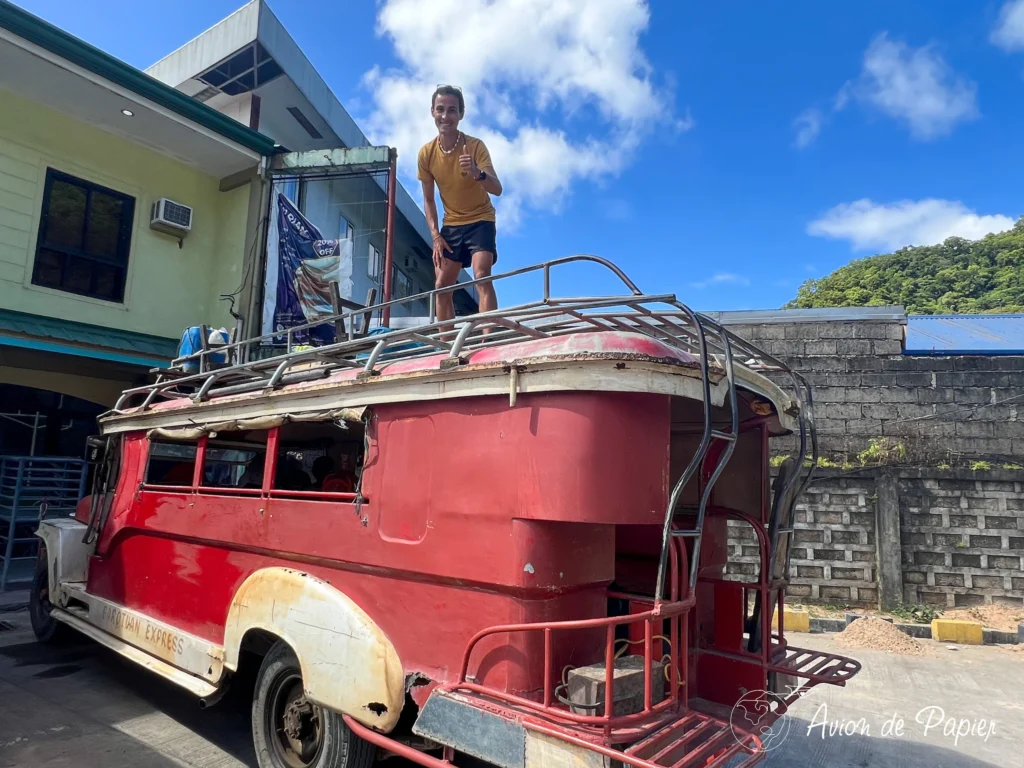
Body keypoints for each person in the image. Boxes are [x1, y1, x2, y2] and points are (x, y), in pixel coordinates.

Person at [418, 85, 503, 323]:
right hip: (451, 224)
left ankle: (490, 342)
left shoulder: (475, 146)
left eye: (452, 110)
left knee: (481, 276)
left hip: (481, 219)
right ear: (433, 112)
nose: (446, 116)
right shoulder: (426, 153)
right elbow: (428, 199)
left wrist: (477, 172)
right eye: (440, 109)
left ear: (461, 114)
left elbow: (497, 188)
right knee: (441, 286)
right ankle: (447, 348)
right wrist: (435, 236)